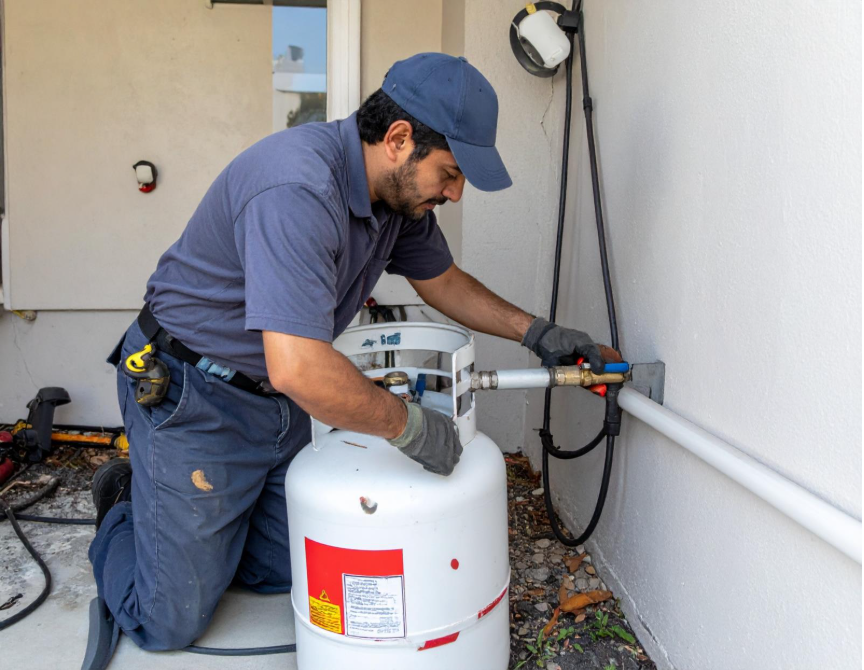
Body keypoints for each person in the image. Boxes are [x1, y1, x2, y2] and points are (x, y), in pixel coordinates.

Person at [89, 53, 620, 650]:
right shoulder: (296, 189)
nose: (456, 192)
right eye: (450, 172)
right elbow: (298, 365)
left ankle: (194, 525)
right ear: (398, 140)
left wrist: (538, 333)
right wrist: (411, 428)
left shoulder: (397, 201)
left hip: (274, 400)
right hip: (193, 395)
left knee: (299, 562)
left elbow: (441, 280)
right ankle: (125, 506)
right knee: (168, 621)